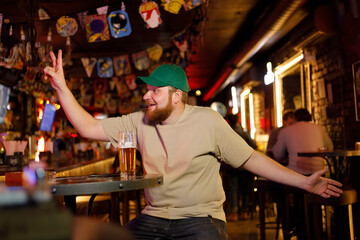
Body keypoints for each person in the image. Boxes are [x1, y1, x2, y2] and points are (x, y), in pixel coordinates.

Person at [44, 50, 342, 240]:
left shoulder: (208, 121)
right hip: (154, 218)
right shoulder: (140, 121)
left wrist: (304, 183)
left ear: (177, 96)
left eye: (155, 91)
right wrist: (62, 87)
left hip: (201, 218)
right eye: (147, 91)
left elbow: (252, 159)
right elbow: (89, 127)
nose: (147, 97)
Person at [272, 108, 333, 175]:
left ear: (295, 118)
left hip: (296, 173)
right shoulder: (319, 128)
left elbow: (277, 154)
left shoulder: (285, 131)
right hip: (318, 172)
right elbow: (330, 148)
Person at [224, 113, 257, 221]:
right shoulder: (243, 132)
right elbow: (254, 145)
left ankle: (234, 212)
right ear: (238, 120)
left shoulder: (227, 132)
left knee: (233, 189)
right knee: (245, 189)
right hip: (244, 165)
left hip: (231, 166)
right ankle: (245, 211)